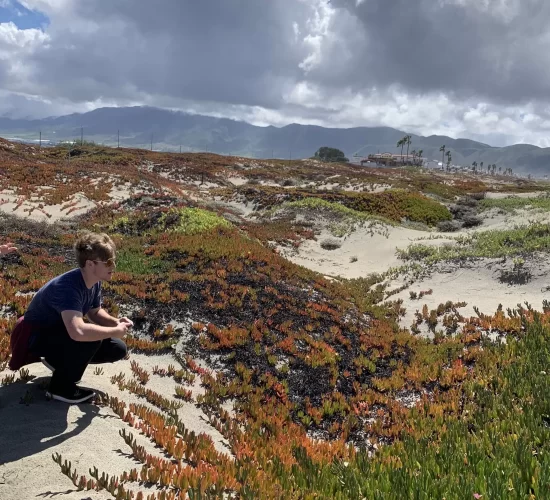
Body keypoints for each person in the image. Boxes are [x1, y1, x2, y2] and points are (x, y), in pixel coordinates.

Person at [13, 231, 133, 404]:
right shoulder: (68, 287)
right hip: (35, 337)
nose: (113, 266)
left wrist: (116, 323)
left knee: (117, 348)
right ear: (90, 264)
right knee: (90, 338)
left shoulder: (93, 281)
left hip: (58, 333)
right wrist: (114, 330)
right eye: (108, 262)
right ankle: (60, 388)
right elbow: (77, 332)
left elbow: (94, 313)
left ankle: (59, 364)